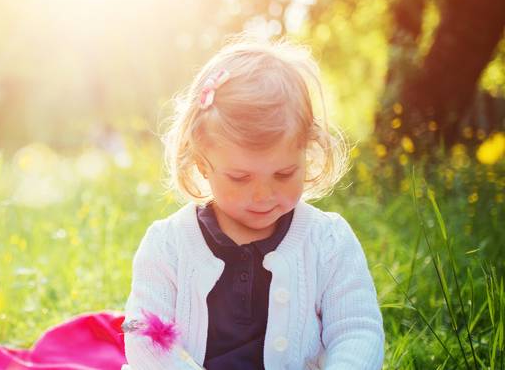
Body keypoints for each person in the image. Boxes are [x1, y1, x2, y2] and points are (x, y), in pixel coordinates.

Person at [122, 33, 384, 369]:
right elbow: (142, 334)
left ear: (307, 152)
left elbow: (357, 330)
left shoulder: (328, 242)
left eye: (284, 174)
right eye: (240, 178)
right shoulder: (168, 245)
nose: (263, 195)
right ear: (203, 163)